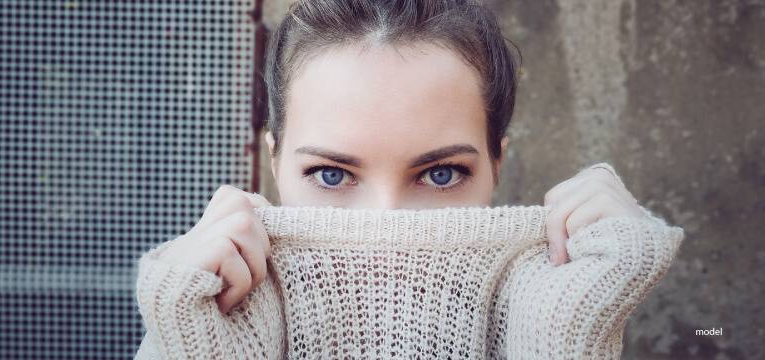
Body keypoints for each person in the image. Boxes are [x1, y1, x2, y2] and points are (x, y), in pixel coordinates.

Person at [157, 0, 648, 317]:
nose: (385, 239)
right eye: (331, 175)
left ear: (496, 165)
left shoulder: (550, 315)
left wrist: (582, 327)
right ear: (275, 163)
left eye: (440, 174)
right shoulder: (214, 316)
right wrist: (175, 338)